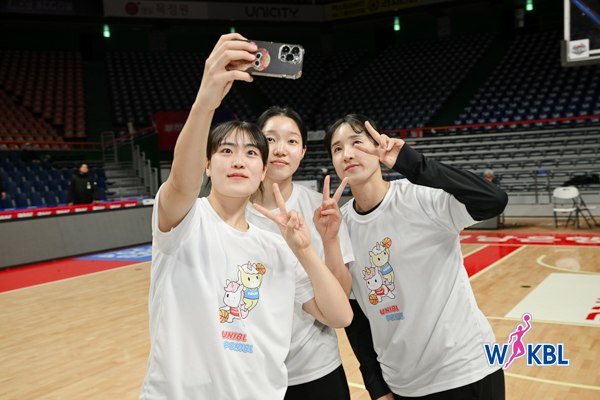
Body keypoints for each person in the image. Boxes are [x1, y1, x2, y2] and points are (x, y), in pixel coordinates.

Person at [139, 34, 352, 400]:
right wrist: (206, 100)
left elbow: (340, 316)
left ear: (264, 169)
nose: (239, 160)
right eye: (226, 150)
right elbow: (182, 182)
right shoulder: (185, 220)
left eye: (251, 153)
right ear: (207, 164)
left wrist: (304, 250)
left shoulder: (277, 246)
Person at [324, 114, 508, 399]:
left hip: (466, 371)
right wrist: (375, 384)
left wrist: (413, 163)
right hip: (402, 384)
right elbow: (356, 314)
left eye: (356, 142)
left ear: (378, 146)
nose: (347, 154)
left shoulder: (422, 198)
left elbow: (493, 200)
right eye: (337, 148)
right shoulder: (339, 225)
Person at [246, 106, 354, 400]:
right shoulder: (232, 210)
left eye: (292, 141)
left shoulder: (323, 209)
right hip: (250, 370)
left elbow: (341, 298)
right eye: (270, 139)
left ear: (303, 151)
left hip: (315, 367)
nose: (281, 149)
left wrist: (330, 241)